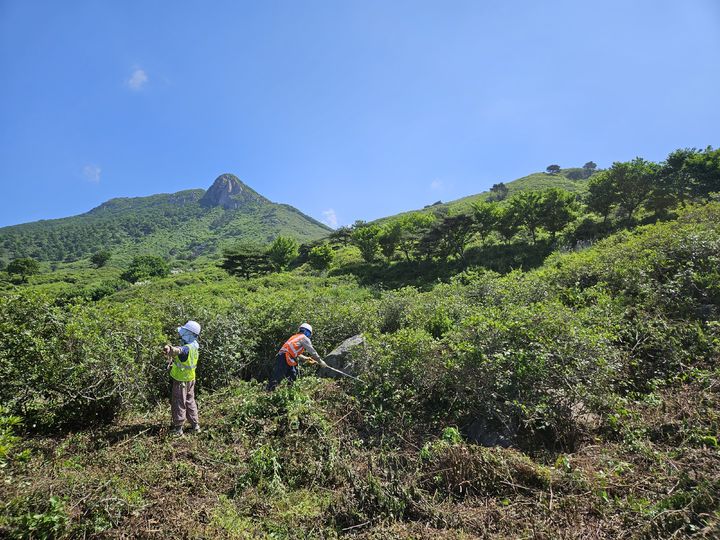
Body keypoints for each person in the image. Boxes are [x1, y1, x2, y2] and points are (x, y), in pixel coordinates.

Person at [163, 320, 201, 436]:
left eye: (184, 332)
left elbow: (179, 350)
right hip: (190, 379)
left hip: (181, 380)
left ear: (189, 333)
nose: (181, 334)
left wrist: (170, 349)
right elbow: (180, 349)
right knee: (190, 401)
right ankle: (195, 426)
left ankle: (178, 429)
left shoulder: (186, 348)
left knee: (179, 402)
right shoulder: (194, 345)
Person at [267, 323, 327, 390]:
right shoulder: (304, 338)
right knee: (278, 376)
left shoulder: (294, 337)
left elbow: (294, 352)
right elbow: (313, 352)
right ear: (308, 333)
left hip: (285, 356)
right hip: (285, 357)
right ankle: (269, 391)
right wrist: (320, 361)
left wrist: (306, 358)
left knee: (293, 375)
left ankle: (289, 392)